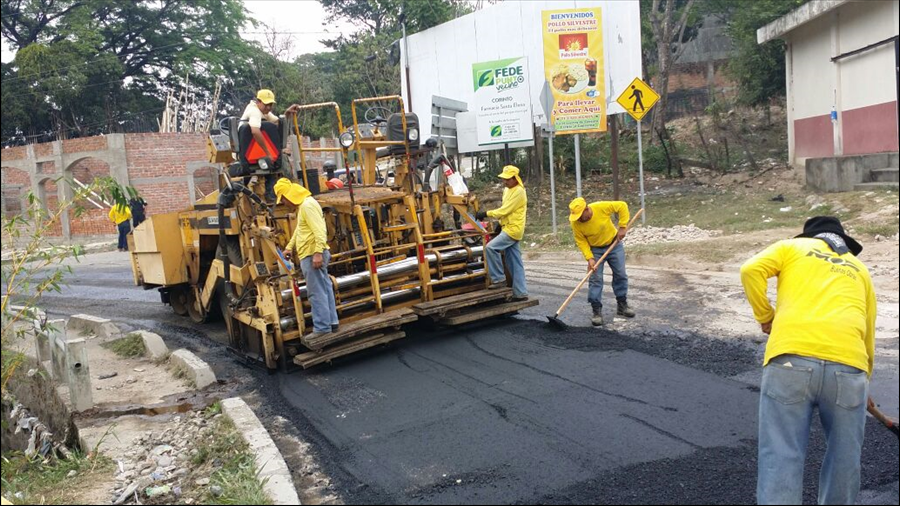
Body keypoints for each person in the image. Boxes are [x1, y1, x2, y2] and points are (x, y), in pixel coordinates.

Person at [740, 216, 876, 505]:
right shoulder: (860, 269)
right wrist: (865, 383)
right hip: (849, 369)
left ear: (809, 235)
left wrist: (766, 317)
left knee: (781, 452)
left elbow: (750, 269)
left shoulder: (792, 248)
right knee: (845, 458)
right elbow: (869, 329)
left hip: (791, 361)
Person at [274, 178, 338, 338]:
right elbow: (300, 230)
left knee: (316, 292)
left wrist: (317, 253)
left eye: (282, 199)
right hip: (312, 253)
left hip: (312, 254)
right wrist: (289, 246)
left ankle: (322, 328)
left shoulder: (307, 206)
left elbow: (319, 230)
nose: (284, 203)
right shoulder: (304, 205)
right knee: (324, 288)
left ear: (288, 195)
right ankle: (332, 322)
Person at [569, 197, 634, 326]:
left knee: (620, 274)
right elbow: (581, 241)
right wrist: (590, 258)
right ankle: (596, 310)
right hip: (595, 250)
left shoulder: (600, 207)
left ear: (587, 209)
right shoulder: (576, 223)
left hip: (614, 244)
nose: (580, 219)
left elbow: (622, 205)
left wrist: (622, 226)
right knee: (595, 279)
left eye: (581, 216)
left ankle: (622, 305)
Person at [475, 165, 528, 301]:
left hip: (513, 229)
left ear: (515, 179)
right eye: (504, 179)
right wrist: (500, 223)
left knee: (491, 248)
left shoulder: (519, 192)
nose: (505, 181)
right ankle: (521, 293)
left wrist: (486, 213)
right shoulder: (507, 190)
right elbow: (507, 212)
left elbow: (505, 210)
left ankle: (498, 279)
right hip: (507, 227)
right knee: (514, 262)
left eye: (508, 179)